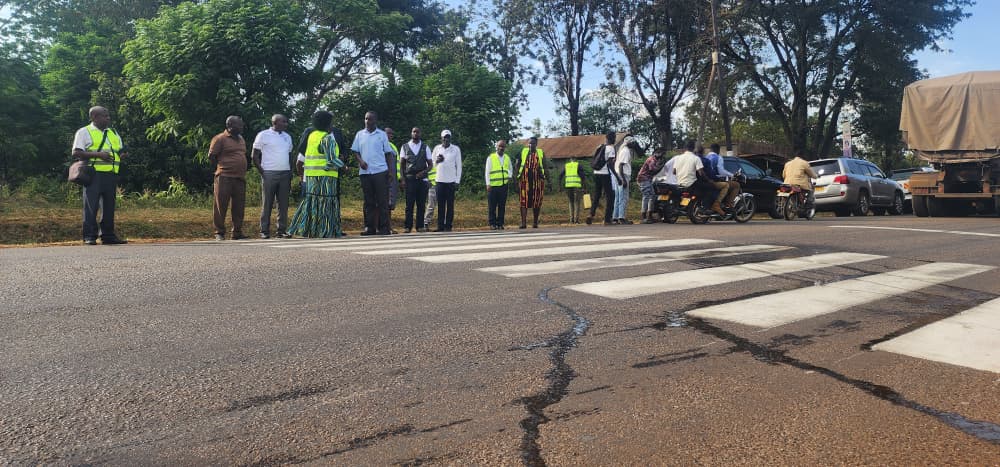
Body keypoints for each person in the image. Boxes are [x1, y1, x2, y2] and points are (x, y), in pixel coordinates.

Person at [72, 106, 127, 245]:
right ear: (94, 117)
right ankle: (90, 236)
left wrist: (122, 155)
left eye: (108, 115)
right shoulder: (84, 132)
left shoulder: (113, 132)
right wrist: (98, 155)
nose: (108, 118)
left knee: (109, 207)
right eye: (104, 115)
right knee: (91, 206)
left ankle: (108, 236)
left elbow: (119, 149)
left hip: (111, 174)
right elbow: (76, 153)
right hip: (93, 174)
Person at [288, 111, 344, 238]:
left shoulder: (312, 136)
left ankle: (306, 229)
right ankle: (325, 230)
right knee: (325, 204)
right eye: (331, 123)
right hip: (326, 177)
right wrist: (344, 166)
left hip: (311, 175)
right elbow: (331, 160)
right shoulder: (327, 138)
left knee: (312, 202)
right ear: (327, 124)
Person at [351, 111, 396, 236]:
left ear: (375, 120)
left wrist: (390, 172)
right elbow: (355, 151)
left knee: (382, 201)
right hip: (365, 172)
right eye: (365, 119)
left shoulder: (381, 135)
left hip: (380, 171)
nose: (367, 121)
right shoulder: (360, 134)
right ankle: (369, 228)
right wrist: (360, 161)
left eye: (370, 119)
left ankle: (384, 228)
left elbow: (388, 154)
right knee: (368, 201)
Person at [252, 114, 294, 239]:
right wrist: (262, 172)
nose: (286, 124)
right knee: (267, 202)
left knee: (283, 203)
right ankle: (264, 230)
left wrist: (290, 171)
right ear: (275, 123)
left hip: (285, 173)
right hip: (269, 172)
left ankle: (281, 230)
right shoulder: (263, 135)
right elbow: (254, 155)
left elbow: (290, 155)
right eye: (283, 122)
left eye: (286, 122)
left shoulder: (287, 137)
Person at [209, 116, 249, 240]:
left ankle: (237, 232)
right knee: (221, 206)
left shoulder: (241, 139)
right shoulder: (220, 138)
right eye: (239, 125)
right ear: (230, 125)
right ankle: (219, 233)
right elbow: (212, 156)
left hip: (239, 178)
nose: (242, 127)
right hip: (224, 177)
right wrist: (223, 167)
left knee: (239, 206)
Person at [399, 127, 433, 233]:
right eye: (414, 132)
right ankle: (407, 226)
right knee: (409, 204)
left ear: (420, 134)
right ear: (411, 133)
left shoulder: (425, 147)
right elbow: (401, 165)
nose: (415, 133)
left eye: (417, 132)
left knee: (421, 203)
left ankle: (420, 226)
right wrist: (402, 179)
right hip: (409, 178)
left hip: (421, 179)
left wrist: (423, 172)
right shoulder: (405, 147)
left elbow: (430, 165)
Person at [432, 129, 462, 232]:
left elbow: (459, 166)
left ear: (450, 138)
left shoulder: (456, 149)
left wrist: (457, 181)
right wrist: (437, 160)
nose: (446, 139)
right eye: (444, 137)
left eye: (448, 137)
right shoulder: (437, 148)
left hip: (451, 181)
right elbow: (431, 164)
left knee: (450, 205)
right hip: (439, 180)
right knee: (440, 205)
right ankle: (440, 226)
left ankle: (448, 226)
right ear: (441, 138)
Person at [586, 132, 617, 226]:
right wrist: (617, 176)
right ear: (613, 139)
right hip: (605, 174)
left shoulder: (600, 146)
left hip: (596, 173)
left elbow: (595, 158)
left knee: (597, 195)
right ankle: (607, 220)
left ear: (606, 138)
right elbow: (610, 164)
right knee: (610, 196)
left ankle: (591, 214)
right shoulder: (611, 148)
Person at [518, 136, 546, 228]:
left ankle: (535, 222)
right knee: (523, 201)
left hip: (537, 181)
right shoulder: (524, 152)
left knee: (536, 202)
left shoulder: (540, 153)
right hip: (524, 181)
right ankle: (523, 223)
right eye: (529, 143)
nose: (530, 145)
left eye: (532, 143)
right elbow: (517, 165)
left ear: (536, 144)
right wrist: (516, 178)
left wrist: (547, 179)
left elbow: (545, 166)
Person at [485, 140, 513, 229]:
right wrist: (488, 184)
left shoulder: (507, 158)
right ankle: (492, 224)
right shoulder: (491, 157)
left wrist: (509, 176)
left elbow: (510, 169)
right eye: (499, 146)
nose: (501, 148)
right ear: (496, 147)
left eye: (503, 146)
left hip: (503, 186)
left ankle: (500, 223)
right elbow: (487, 172)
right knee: (492, 206)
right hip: (493, 186)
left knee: (502, 206)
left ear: (505, 147)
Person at [636, 148, 666, 223]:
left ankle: (649, 216)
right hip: (643, 179)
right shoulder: (651, 160)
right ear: (656, 153)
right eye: (661, 154)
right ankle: (643, 217)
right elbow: (653, 171)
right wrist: (661, 166)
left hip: (647, 179)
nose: (662, 156)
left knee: (652, 196)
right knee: (646, 196)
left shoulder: (655, 160)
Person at [697, 145, 729, 216]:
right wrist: (718, 178)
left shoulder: (703, 158)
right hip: (706, 181)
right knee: (726, 185)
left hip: (693, 181)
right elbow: (714, 172)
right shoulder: (712, 159)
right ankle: (717, 205)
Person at [612, 136, 637, 224]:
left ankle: (615, 217)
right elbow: (621, 166)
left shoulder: (621, 150)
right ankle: (621, 218)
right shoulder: (626, 151)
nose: (634, 144)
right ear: (629, 143)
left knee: (618, 198)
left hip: (618, 175)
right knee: (623, 198)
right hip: (623, 175)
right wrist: (623, 179)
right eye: (633, 142)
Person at [706, 143, 741, 207]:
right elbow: (721, 171)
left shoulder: (706, 157)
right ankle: (728, 204)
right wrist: (732, 175)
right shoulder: (718, 158)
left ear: (710, 149)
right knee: (736, 185)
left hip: (707, 180)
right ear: (718, 150)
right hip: (715, 180)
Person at [559, 156, 587, 224]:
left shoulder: (566, 165)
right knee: (577, 202)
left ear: (570, 160)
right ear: (576, 160)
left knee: (571, 202)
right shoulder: (578, 165)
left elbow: (560, 176)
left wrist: (559, 186)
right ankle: (576, 220)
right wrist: (584, 187)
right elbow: (583, 177)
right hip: (577, 186)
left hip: (568, 186)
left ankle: (571, 220)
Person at [385, 127, 400, 234]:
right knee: (383, 203)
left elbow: (398, 164)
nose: (390, 135)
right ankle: (383, 226)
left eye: (391, 134)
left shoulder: (393, 146)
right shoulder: (380, 145)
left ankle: (389, 226)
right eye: (388, 133)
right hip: (384, 178)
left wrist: (400, 178)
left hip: (393, 179)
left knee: (390, 204)